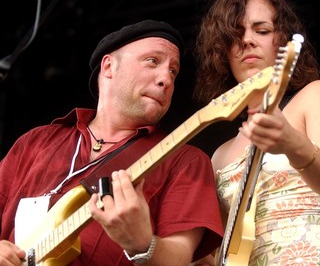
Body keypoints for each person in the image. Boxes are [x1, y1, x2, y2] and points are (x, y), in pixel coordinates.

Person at [0, 19, 223, 266]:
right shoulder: (35, 142)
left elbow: (180, 257)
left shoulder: (184, 161)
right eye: (153, 61)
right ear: (108, 66)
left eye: (173, 71)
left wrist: (141, 243)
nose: (166, 79)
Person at [193, 0, 320, 266]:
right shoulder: (219, 155)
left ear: (282, 40)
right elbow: (219, 255)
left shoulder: (316, 95)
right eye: (235, 35)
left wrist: (292, 143)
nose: (247, 40)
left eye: (262, 30)